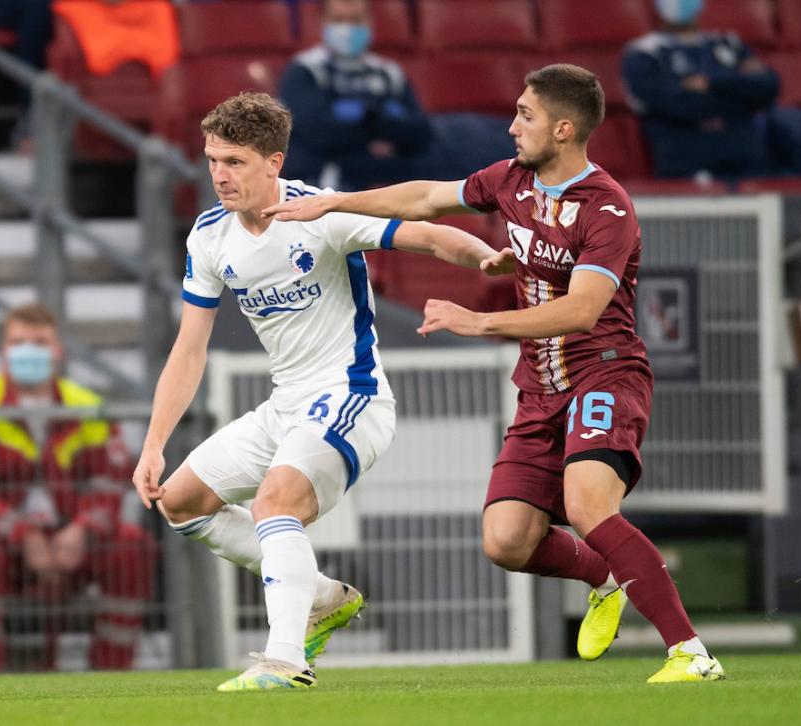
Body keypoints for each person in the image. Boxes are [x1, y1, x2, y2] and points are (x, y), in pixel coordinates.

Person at [264, 64, 725, 684]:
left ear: (563, 130)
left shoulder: (608, 208)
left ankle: (691, 653)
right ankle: (604, 575)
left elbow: (583, 310)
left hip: (604, 374)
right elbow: (426, 197)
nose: (512, 126)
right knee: (506, 542)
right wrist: (334, 203)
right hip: (539, 389)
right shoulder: (512, 180)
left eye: (526, 115)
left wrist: (479, 322)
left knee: (588, 504)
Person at [131, 92, 511, 691]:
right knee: (179, 501)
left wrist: (488, 258)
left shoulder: (321, 214)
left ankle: (285, 661)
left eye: (234, 162)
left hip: (351, 395)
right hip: (285, 405)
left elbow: (429, 236)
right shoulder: (209, 236)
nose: (219, 175)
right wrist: (154, 444)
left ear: (273, 163)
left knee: (275, 504)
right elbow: (189, 349)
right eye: (212, 160)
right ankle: (323, 596)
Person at [0, 303, 156, 672]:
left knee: (132, 545)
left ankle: (112, 675)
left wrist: (83, 529)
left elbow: (109, 480)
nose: (28, 351)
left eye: (39, 343)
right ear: (3, 351)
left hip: (73, 537)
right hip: (1, 541)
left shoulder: (88, 406)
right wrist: (21, 533)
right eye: (18, 342)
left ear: (58, 350)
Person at [279, 0, 431, 192]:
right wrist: (382, 125)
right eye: (339, 20)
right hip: (328, 186)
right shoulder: (304, 71)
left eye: (356, 20)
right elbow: (318, 134)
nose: (347, 29)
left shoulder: (389, 73)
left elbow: (420, 133)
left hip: (393, 182)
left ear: (370, 21)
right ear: (322, 21)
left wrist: (363, 119)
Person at [622, 0, 780, 179]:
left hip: (747, 162)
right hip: (685, 164)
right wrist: (740, 98)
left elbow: (767, 86)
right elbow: (668, 103)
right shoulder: (644, 52)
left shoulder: (728, 43)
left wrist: (711, 84)